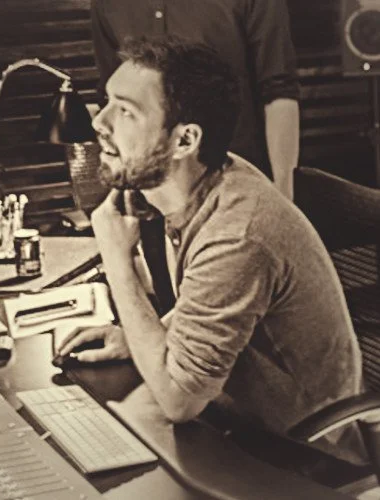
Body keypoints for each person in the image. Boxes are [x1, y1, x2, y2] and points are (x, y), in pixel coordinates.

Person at [58, 37, 366, 465]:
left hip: (299, 459)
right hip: (233, 427)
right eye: (107, 101)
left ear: (185, 140)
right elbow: (212, 304)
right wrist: (145, 338)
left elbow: (178, 401)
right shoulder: (211, 182)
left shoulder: (239, 233)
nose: (99, 122)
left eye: (126, 111)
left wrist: (117, 259)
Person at [90, 0, 300, 199]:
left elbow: (279, 91)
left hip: (235, 177)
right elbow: (111, 91)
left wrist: (283, 190)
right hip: (147, 185)